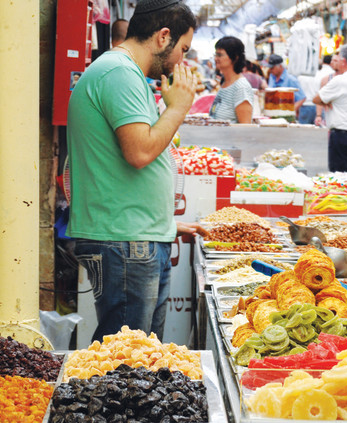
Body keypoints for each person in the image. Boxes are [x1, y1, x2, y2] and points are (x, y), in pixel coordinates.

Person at [67, 0, 204, 342]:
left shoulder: (128, 74)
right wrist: (178, 108)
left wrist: (162, 224)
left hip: (136, 237)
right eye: (183, 49)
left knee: (143, 355)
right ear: (163, 36)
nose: (181, 61)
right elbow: (140, 151)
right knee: (126, 358)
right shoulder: (119, 73)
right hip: (125, 241)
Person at [313, 44, 347, 175]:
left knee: (340, 177)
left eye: (338, 59)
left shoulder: (340, 80)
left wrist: (328, 101)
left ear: (344, 61)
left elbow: (316, 99)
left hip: (342, 135)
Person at [209, 36, 254, 123]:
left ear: (235, 57)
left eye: (220, 55)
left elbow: (245, 126)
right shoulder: (225, 83)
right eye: (215, 54)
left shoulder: (241, 88)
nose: (215, 58)